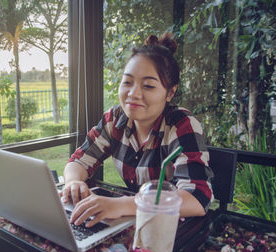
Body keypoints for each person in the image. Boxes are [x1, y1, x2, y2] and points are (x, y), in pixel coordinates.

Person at [60, 32, 214, 228]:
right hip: (134, 226)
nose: (133, 94)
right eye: (127, 82)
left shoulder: (181, 124)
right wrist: (73, 182)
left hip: (172, 232)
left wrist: (121, 205)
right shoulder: (115, 120)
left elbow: (197, 199)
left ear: (170, 92)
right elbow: (79, 161)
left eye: (148, 86)